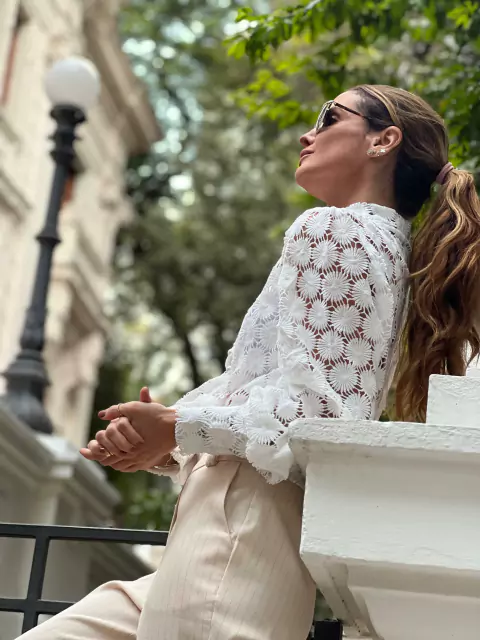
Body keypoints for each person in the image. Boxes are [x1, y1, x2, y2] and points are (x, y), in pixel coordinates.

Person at [19, 84, 480, 640]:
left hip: (234, 530)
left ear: (383, 141)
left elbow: (315, 415)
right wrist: (167, 437)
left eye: (328, 117)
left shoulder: (333, 230)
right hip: (237, 533)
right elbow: (279, 388)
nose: (307, 135)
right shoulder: (388, 252)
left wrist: (175, 426)